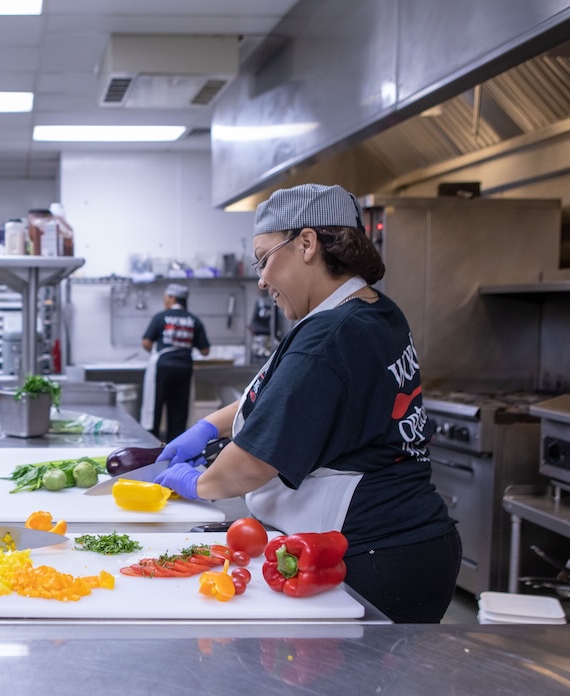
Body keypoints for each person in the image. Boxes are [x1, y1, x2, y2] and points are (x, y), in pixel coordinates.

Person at [152, 184, 460, 623]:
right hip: (409, 545)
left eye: (263, 258)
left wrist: (195, 483)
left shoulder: (332, 335)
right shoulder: (371, 311)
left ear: (307, 243)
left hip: (376, 556)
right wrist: (208, 427)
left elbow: (247, 468)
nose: (260, 279)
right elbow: (286, 395)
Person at [140, 283, 211, 442]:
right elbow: (205, 351)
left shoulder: (161, 317)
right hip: (184, 368)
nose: (165, 301)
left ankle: (152, 448)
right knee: (179, 412)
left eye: (166, 297)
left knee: (154, 410)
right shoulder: (194, 320)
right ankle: (176, 450)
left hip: (162, 367)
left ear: (173, 298)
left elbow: (146, 343)